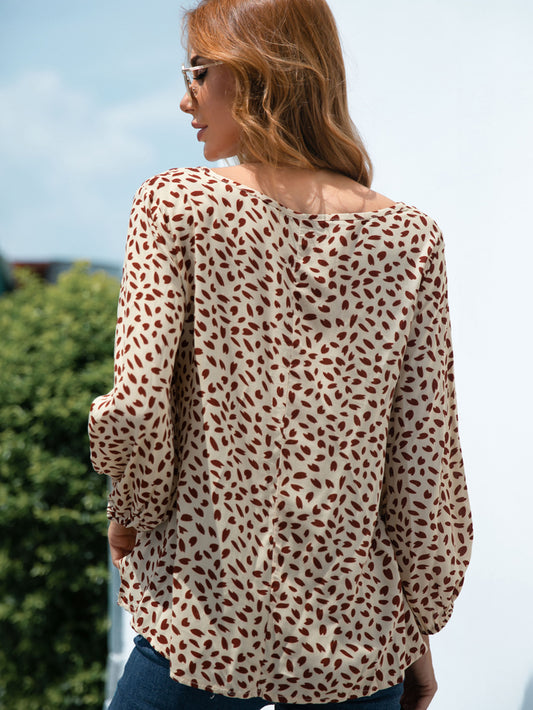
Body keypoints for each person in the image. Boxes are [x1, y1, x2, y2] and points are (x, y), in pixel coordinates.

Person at [88, 0, 473, 708]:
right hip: (356, 643)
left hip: (202, 622)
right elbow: (421, 465)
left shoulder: (176, 205)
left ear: (256, 72)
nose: (185, 99)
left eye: (198, 72)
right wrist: (415, 632)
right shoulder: (409, 239)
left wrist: (130, 515)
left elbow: (138, 408)